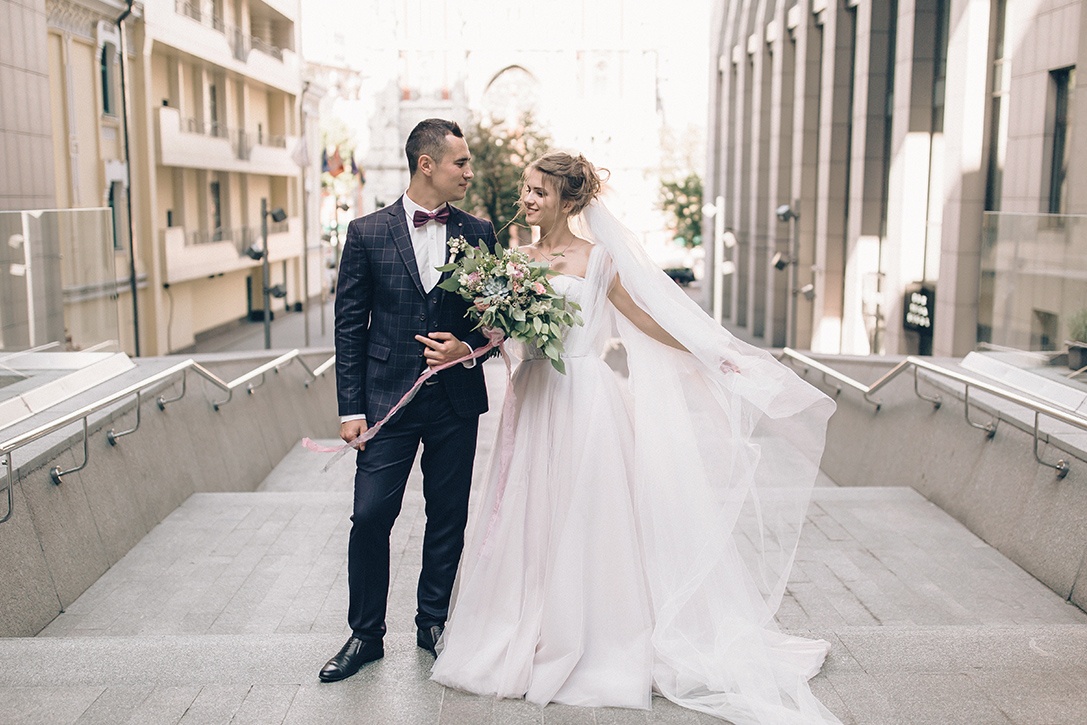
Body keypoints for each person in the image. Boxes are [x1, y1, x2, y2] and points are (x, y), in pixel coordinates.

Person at [430, 152, 842, 724]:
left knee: (591, 514)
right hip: (534, 395)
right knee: (532, 511)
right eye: (526, 189)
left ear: (570, 203)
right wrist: (466, 348)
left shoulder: (599, 261)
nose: (527, 200)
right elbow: (499, 331)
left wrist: (709, 352)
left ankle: (598, 635)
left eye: (540, 193)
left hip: (586, 397)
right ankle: (528, 626)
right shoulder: (514, 260)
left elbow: (644, 318)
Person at [320, 119, 499, 683]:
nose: (470, 172)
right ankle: (365, 635)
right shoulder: (366, 232)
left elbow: (497, 327)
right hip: (385, 404)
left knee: (448, 515)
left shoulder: (480, 233)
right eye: (461, 163)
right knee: (370, 515)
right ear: (428, 165)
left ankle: (434, 622)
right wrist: (351, 409)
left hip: (455, 403)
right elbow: (349, 327)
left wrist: (464, 348)